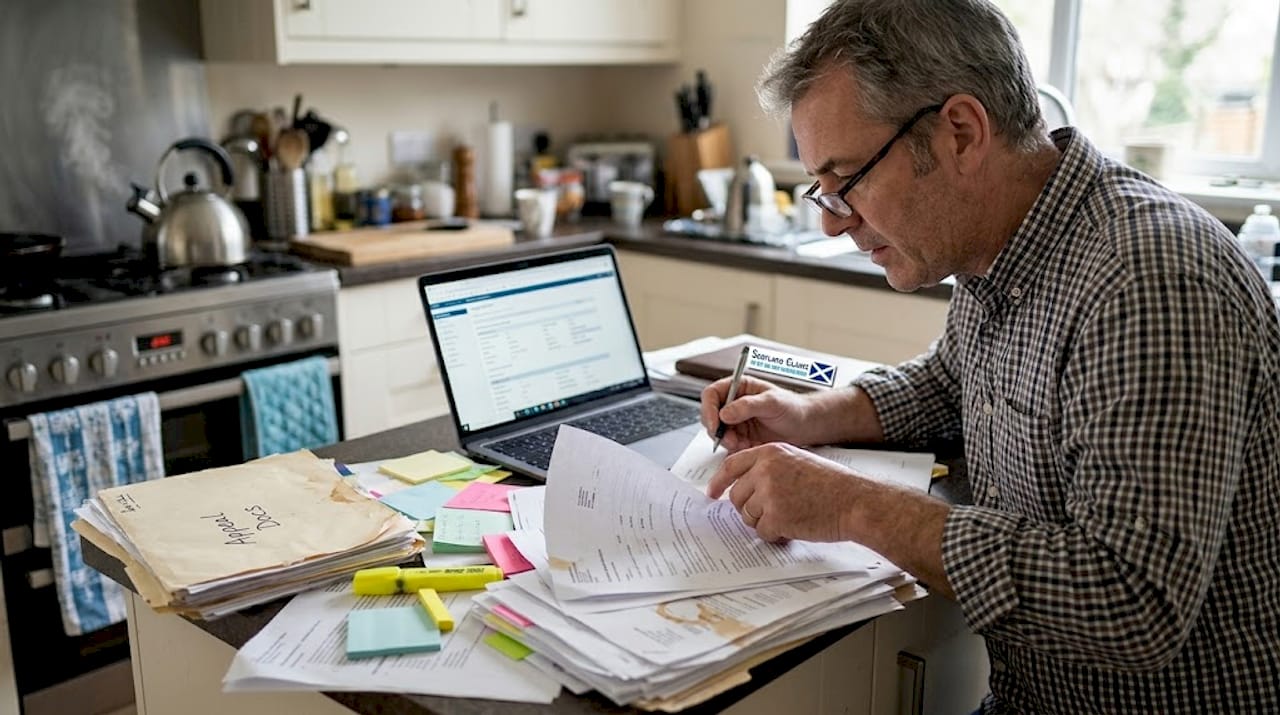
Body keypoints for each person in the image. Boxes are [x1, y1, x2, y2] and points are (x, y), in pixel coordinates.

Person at [700, 0, 1280, 712]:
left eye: (846, 182)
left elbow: (1133, 599)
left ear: (962, 133)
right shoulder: (1000, 241)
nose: (830, 219)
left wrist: (851, 505)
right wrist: (808, 414)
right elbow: (950, 383)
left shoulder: (1148, 280)